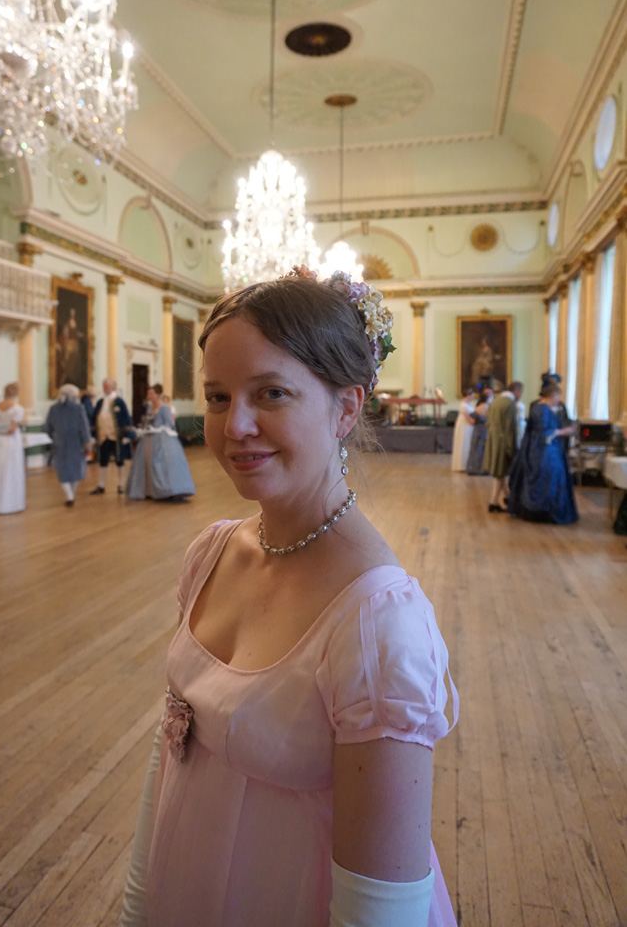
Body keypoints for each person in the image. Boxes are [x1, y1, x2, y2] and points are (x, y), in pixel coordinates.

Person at [119, 268, 458, 927]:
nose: (235, 425)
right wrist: (137, 908)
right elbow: (172, 749)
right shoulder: (212, 553)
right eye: (217, 398)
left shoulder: (378, 624)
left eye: (270, 393)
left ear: (346, 408)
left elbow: (379, 910)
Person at [508, 382, 578, 524]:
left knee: (551, 478)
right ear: (552, 395)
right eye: (558, 396)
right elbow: (545, 433)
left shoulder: (542, 408)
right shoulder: (542, 410)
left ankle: (544, 511)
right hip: (543, 452)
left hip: (544, 449)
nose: (559, 399)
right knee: (550, 478)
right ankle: (546, 512)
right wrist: (565, 431)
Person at [126, 384, 195, 501]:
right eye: (148, 393)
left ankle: (167, 491)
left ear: (158, 395)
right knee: (146, 463)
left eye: (151, 393)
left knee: (161, 464)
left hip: (163, 440)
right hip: (148, 440)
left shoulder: (164, 408)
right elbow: (147, 423)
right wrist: (144, 429)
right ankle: (149, 491)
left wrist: (157, 429)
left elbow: (169, 424)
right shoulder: (149, 408)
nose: (149, 396)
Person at [45, 383, 92, 506]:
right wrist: (87, 441)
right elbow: (84, 427)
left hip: (59, 442)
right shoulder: (79, 408)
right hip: (76, 443)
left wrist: (52, 437)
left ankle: (69, 496)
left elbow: (48, 427)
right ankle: (71, 495)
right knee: (76, 470)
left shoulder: (53, 408)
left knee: (62, 470)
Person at [483, 382, 522, 512]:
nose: (520, 395)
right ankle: (494, 502)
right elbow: (510, 428)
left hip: (493, 441)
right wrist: (512, 448)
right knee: (500, 472)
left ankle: (507, 498)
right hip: (503, 443)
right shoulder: (510, 404)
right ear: (516, 391)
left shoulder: (495, 402)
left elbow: (488, 423)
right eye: (520, 392)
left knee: (500, 473)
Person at [90, 378, 133, 495]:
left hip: (116, 436)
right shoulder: (100, 402)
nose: (105, 389)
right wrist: (93, 435)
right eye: (104, 386)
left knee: (119, 460)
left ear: (113, 387)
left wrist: (127, 435)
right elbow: (94, 418)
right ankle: (101, 485)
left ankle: (121, 484)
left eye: (107, 386)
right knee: (103, 460)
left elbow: (126, 417)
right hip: (103, 436)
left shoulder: (119, 401)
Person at [0, 383, 25, 515]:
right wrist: (4, 428)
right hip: (11, 442)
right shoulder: (17, 409)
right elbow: (11, 429)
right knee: (11, 471)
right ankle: (11, 504)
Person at [466, 387, 492, 475]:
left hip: (477, 429)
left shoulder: (477, 408)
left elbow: (473, 420)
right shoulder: (489, 408)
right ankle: (485, 468)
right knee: (484, 449)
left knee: (476, 448)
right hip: (486, 429)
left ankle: (474, 468)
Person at [450, 388, 476, 472]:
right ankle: (462, 465)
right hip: (464, 426)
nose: (473, 397)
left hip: (468, 426)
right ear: (468, 395)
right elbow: (468, 418)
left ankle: (467, 464)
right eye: (472, 395)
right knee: (463, 444)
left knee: (467, 444)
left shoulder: (468, 404)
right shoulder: (463, 405)